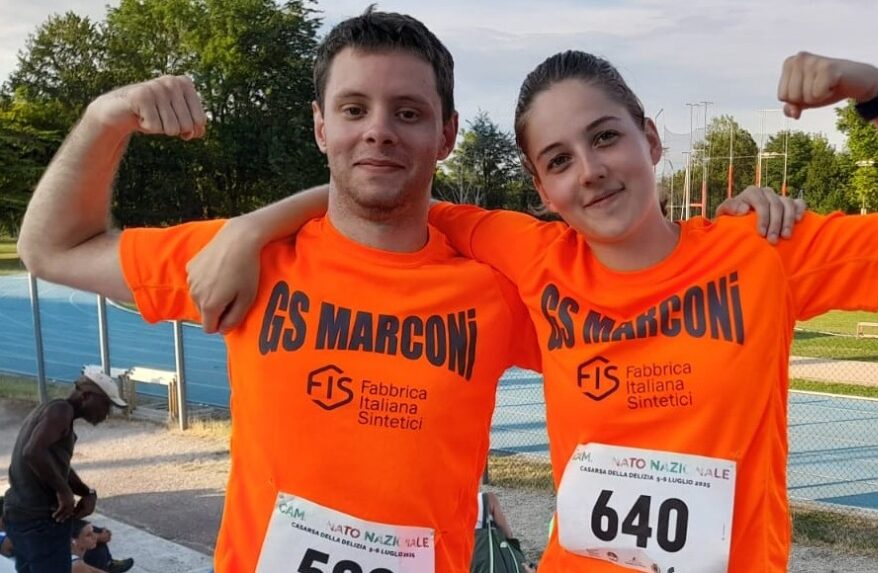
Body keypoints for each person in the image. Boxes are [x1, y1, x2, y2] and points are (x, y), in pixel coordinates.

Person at [190, 49, 878, 572]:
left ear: (651, 138)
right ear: (542, 189)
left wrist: (877, 93)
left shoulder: (760, 253)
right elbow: (380, 190)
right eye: (559, 160)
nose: (590, 171)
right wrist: (253, 227)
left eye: (606, 137)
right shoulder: (532, 255)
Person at [16, 7, 549, 572]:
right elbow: (51, 248)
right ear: (320, 126)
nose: (378, 129)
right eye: (354, 109)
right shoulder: (244, 259)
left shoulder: (494, 290)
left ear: (447, 135)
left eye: (408, 112)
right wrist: (104, 119)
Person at [3, 372, 126, 573]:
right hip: (39, 521)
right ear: (86, 396)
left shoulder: (54, 412)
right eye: (105, 404)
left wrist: (86, 492)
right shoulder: (61, 411)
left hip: (22, 516)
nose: (107, 413)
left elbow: (56, 465)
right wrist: (64, 491)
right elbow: (32, 452)